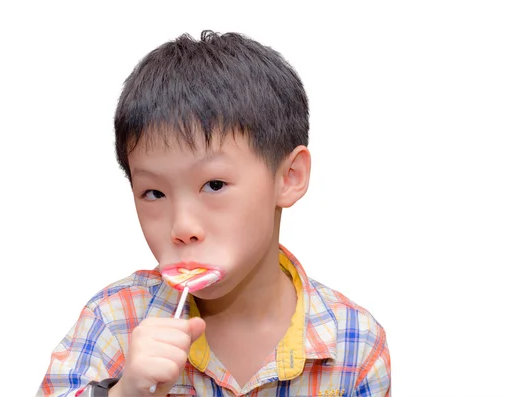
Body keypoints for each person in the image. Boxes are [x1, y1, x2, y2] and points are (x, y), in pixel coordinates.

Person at [36, 30, 391, 397]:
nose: (182, 226)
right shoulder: (113, 322)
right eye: (153, 193)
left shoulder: (355, 346)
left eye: (215, 185)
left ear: (289, 177)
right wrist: (124, 393)